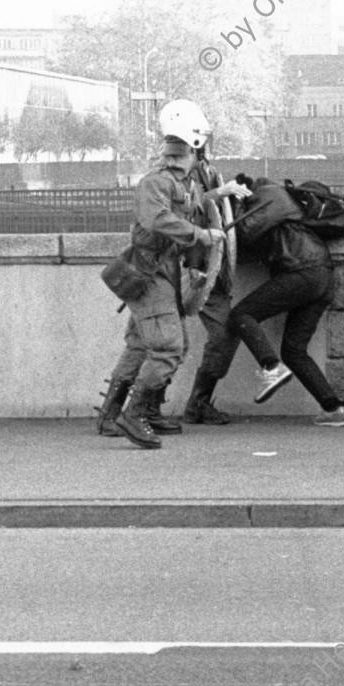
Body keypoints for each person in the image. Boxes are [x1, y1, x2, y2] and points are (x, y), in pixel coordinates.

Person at [97, 103, 244, 449]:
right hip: (149, 274)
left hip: (160, 273)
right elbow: (157, 219)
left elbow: (186, 206)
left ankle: (113, 415)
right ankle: (134, 415)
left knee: (141, 345)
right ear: (193, 148)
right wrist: (201, 235)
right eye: (201, 148)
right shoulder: (155, 183)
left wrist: (217, 195)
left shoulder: (177, 182)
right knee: (167, 347)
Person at [207, 176, 344, 426]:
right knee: (294, 351)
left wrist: (235, 207)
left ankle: (271, 367)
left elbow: (243, 231)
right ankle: (333, 408)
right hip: (322, 276)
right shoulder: (285, 204)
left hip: (301, 272)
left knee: (241, 315)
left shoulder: (269, 195)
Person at [180, 107, 248, 427]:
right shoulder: (179, 170)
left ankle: (197, 403)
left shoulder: (205, 167)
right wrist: (221, 192)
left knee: (224, 335)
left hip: (211, 265)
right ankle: (143, 408)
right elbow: (183, 208)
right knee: (158, 343)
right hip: (191, 267)